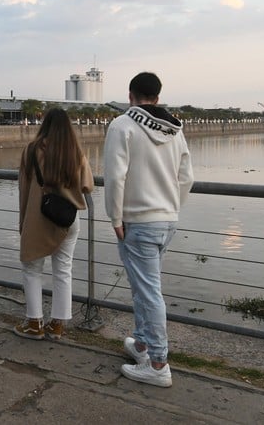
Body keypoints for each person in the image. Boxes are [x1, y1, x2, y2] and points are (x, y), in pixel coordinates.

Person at [103, 72, 193, 388]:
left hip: (137, 221)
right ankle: (141, 345)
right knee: (145, 288)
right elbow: (187, 178)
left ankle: (158, 364)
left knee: (149, 292)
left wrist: (114, 216)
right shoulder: (175, 130)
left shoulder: (122, 126)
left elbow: (115, 177)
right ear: (157, 97)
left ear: (131, 95)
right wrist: (171, 207)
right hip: (166, 220)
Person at [14, 108, 94, 341]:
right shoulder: (75, 152)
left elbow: (23, 189)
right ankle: (57, 325)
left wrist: (22, 222)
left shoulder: (31, 151)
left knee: (31, 269)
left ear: (44, 125)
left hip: (37, 218)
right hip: (67, 220)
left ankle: (34, 323)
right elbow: (87, 185)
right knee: (63, 270)